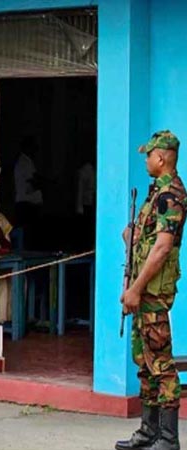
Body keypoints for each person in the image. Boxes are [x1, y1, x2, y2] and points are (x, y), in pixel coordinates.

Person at [116, 130, 186, 450]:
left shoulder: (171, 194)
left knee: (161, 362)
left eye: (148, 155)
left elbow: (161, 249)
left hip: (153, 293)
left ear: (161, 158)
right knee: (143, 359)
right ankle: (149, 430)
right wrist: (132, 238)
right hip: (143, 293)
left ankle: (168, 439)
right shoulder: (155, 192)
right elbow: (148, 242)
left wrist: (135, 289)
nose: (145, 159)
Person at [13, 137, 44, 249]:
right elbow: (33, 180)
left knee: (28, 235)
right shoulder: (25, 162)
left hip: (26, 202)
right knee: (28, 236)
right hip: (26, 203)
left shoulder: (26, 161)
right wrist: (46, 184)